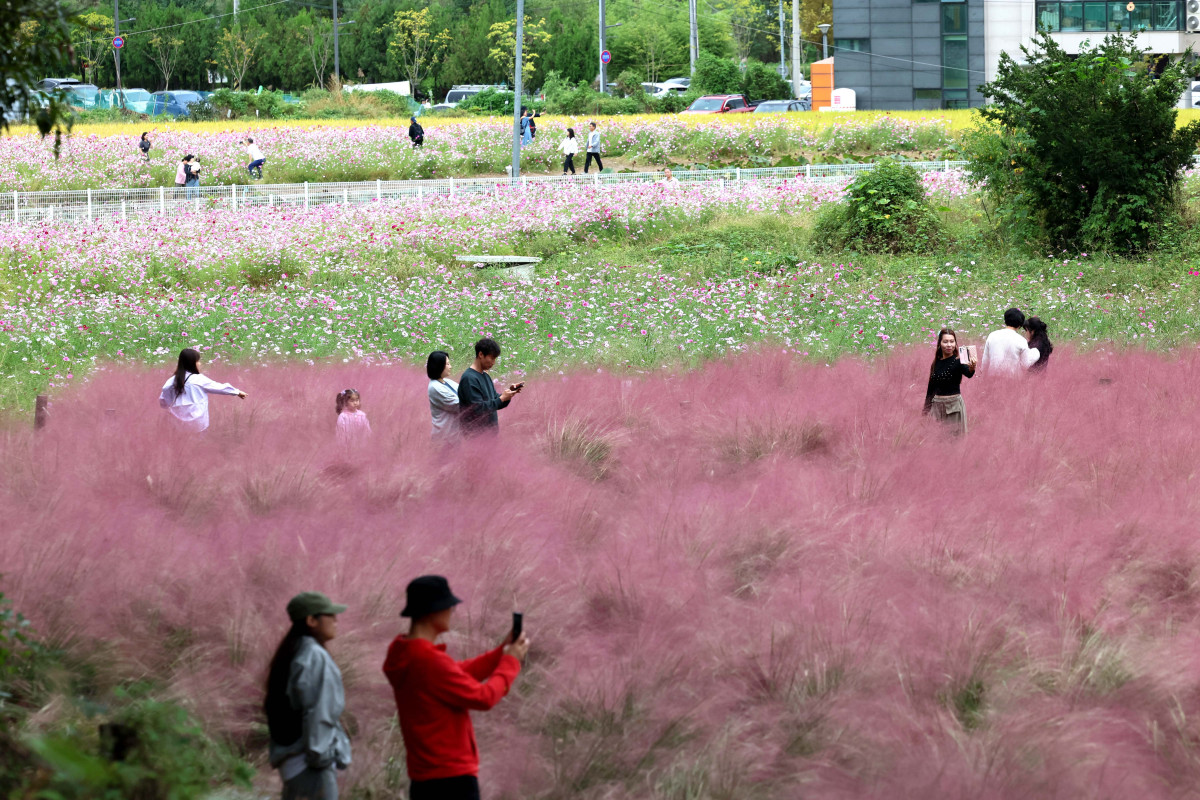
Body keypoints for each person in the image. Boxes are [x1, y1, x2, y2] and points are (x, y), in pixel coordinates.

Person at [382, 576, 529, 800]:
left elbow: (455, 673)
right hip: (451, 781)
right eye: (448, 606)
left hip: (423, 780)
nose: (452, 610)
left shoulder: (405, 653)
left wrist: (502, 652)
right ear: (432, 612)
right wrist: (511, 662)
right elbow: (484, 697)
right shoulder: (429, 660)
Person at [265, 592, 352, 800]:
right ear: (312, 620)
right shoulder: (314, 655)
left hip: (292, 766)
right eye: (329, 615)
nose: (335, 620)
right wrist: (320, 758)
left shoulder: (292, 652)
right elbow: (319, 713)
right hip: (310, 769)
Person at [159, 347, 246, 432]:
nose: (199, 363)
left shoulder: (170, 382)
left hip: (177, 425)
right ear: (192, 363)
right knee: (199, 445)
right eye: (198, 361)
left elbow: (163, 402)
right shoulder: (198, 379)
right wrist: (237, 392)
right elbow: (218, 387)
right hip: (198, 424)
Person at [457, 338, 522, 436]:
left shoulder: (485, 375)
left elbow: (494, 399)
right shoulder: (469, 378)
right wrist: (501, 399)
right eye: (492, 358)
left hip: (489, 437)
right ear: (481, 354)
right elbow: (478, 409)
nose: (494, 362)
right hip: (476, 437)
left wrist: (509, 393)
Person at [923, 328, 976, 436]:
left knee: (954, 442)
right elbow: (931, 388)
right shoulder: (936, 363)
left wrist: (972, 367)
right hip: (936, 407)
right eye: (945, 341)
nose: (949, 345)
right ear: (939, 343)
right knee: (936, 441)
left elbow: (968, 373)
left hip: (954, 407)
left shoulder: (959, 360)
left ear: (955, 343)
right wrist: (925, 411)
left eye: (952, 341)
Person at [980, 307, 1040, 377]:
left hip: (992, 378)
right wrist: (1036, 353)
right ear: (1020, 325)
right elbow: (1025, 364)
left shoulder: (992, 335)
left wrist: (983, 377)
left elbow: (985, 361)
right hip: (1012, 380)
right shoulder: (1021, 340)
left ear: (1005, 320)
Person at [427, 351, 461, 443]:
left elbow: (464, 391)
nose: (450, 367)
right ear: (439, 366)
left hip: (455, 436)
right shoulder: (435, 387)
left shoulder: (447, 381)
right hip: (445, 439)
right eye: (448, 364)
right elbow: (459, 406)